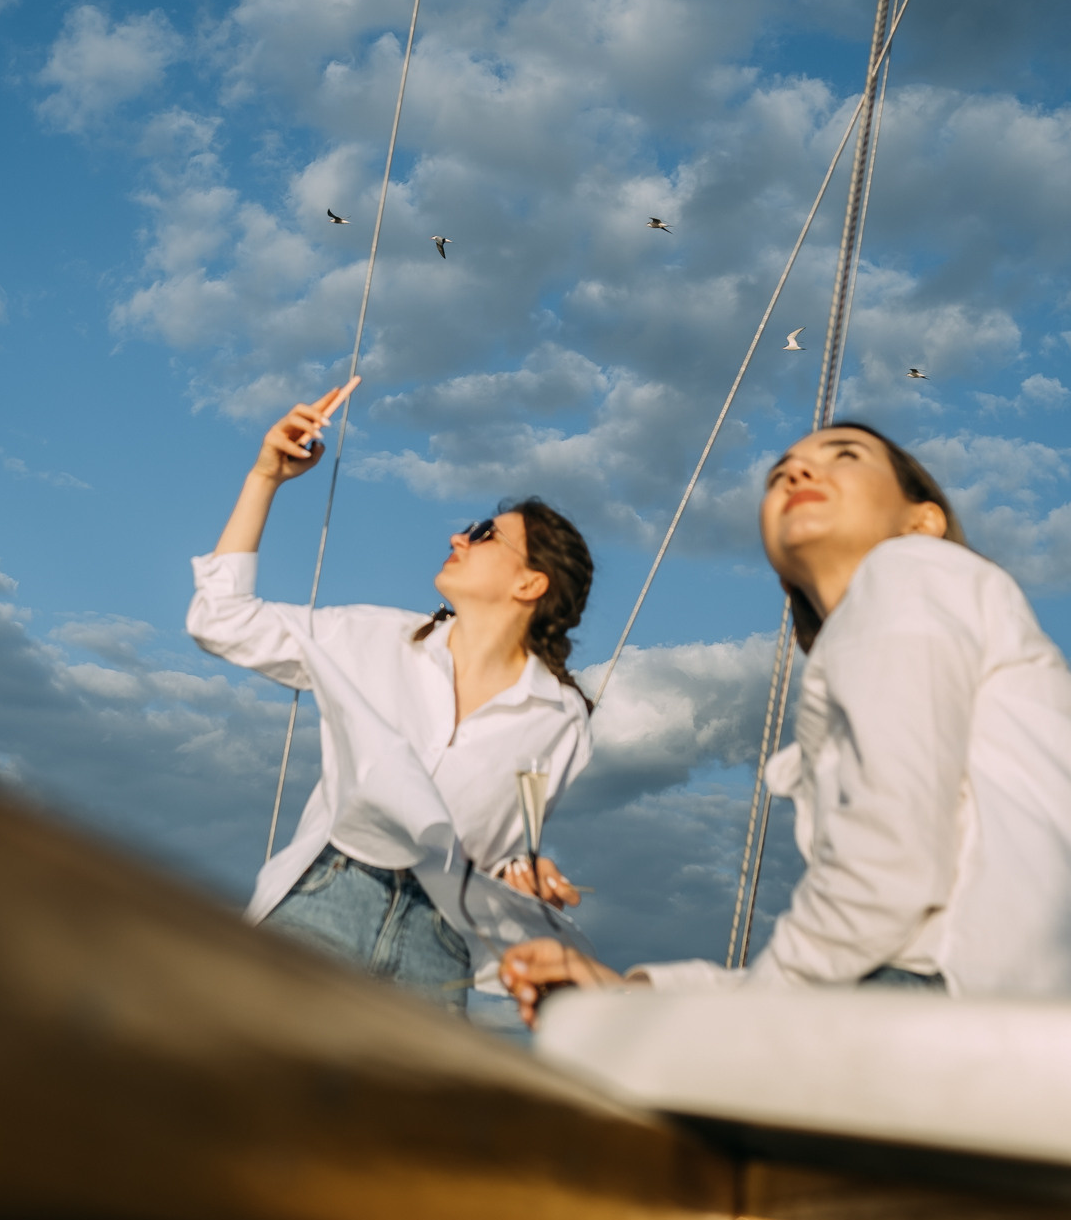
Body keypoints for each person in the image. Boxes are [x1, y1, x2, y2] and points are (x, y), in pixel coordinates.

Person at [501, 421, 1071, 1023]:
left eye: (845, 455)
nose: (797, 472)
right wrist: (629, 992)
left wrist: (742, 1012)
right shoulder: (912, 628)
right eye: (778, 475)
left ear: (921, 521)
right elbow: (861, 921)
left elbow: (890, 868)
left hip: (932, 998)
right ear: (781, 573)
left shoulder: (908, 568)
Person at [187, 382, 596, 1011]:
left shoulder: (562, 722)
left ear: (530, 582)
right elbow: (220, 621)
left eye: (485, 534)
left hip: (438, 945)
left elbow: (501, 849)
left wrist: (525, 876)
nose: (460, 537)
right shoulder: (375, 639)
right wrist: (265, 476)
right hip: (328, 898)